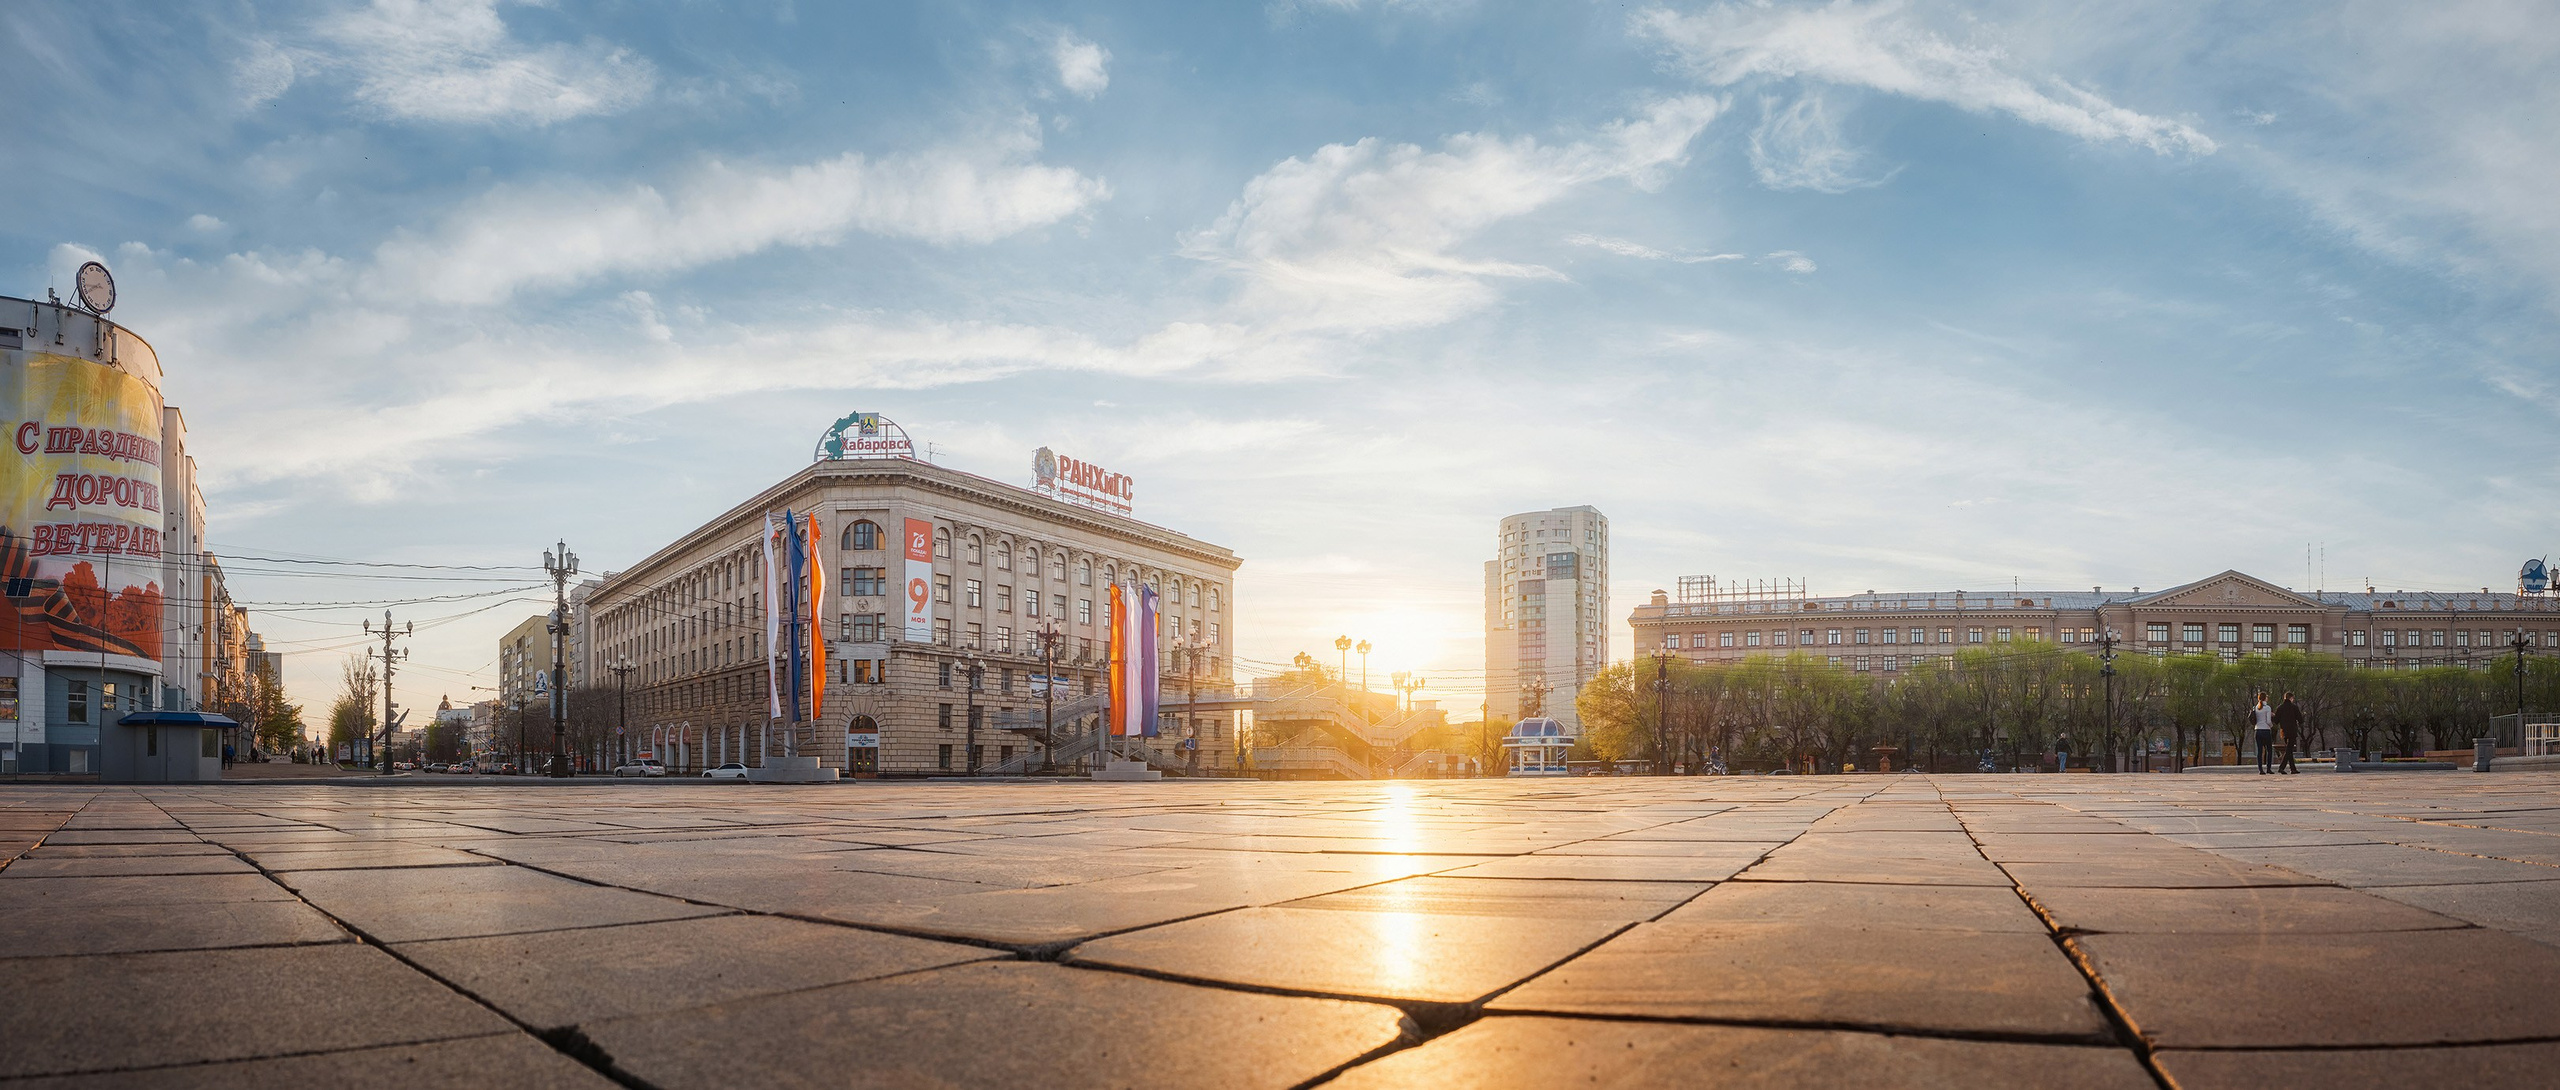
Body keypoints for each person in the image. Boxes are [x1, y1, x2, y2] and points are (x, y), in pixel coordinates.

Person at [2273, 691, 2303, 774]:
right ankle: (2281, 767)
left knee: (2289, 750)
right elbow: (2300, 719)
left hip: (2284, 731)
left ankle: (2293, 769)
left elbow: (2275, 721)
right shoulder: (2294, 707)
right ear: (2291, 698)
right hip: (2292, 730)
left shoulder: (2280, 708)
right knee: (2289, 749)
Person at [2250, 692, 2275, 774]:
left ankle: (2260, 769)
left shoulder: (2256, 707)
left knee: (2259, 751)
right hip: (2266, 730)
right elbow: (2268, 721)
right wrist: (2271, 726)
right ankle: (2268, 768)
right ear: (2265, 698)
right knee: (2269, 750)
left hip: (2257, 730)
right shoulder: (2267, 708)